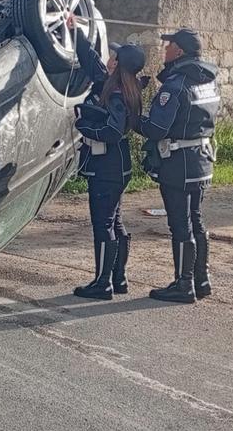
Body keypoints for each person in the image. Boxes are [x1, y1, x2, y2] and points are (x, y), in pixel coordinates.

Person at [138, 29, 220, 304]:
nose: (165, 48)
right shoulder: (208, 81)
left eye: (169, 44)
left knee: (180, 224)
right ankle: (201, 279)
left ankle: (183, 285)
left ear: (180, 51)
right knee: (196, 219)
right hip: (201, 158)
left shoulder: (176, 85)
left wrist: (133, 118)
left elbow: (157, 128)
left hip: (178, 163)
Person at [71, 29, 147, 300]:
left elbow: (113, 131)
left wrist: (85, 127)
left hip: (107, 166)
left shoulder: (116, 93)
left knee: (103, 224)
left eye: (113, 57)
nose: (109, 59)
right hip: (119, 164)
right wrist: (75, 31)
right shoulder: (122, 85)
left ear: (118, 65)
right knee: (115, 221)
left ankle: (102, 283)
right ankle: (118, 277)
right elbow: (93, 64)